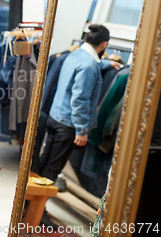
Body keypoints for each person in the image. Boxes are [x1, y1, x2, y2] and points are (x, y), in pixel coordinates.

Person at [39, 24, 121, 182]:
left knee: (45, 159)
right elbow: (80, 100)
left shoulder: (75, 55)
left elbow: (89, 67)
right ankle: (38, 206)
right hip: (67, 125)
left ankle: (31, 203)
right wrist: (82, 130)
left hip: (55, 116)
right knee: (53, 167)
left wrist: (107, 63)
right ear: (104, 44)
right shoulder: (89, 65)